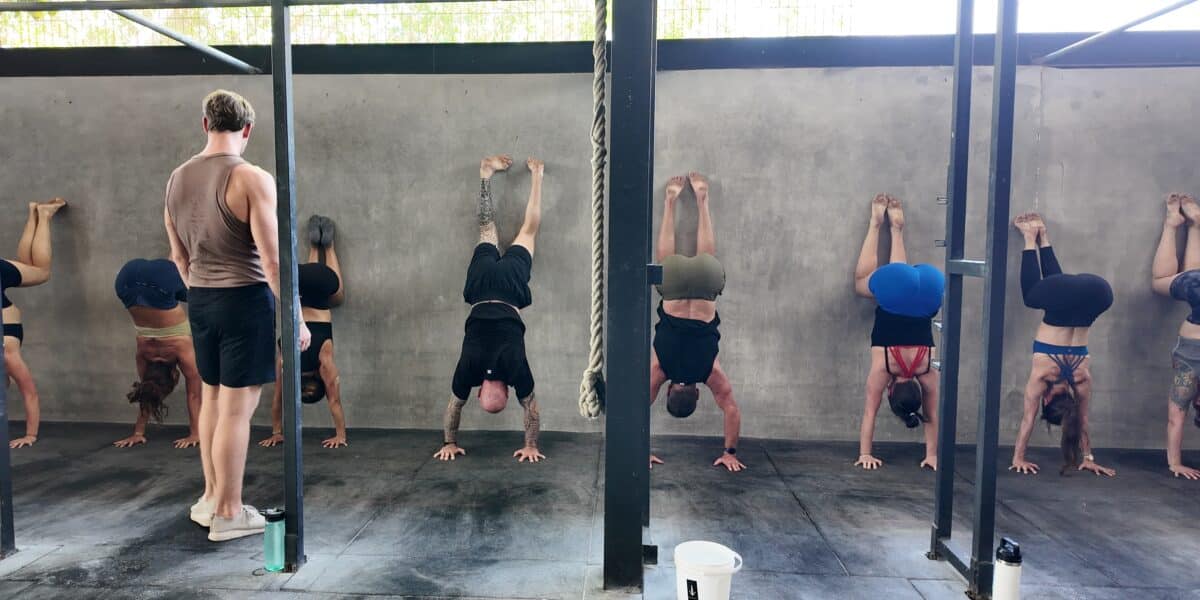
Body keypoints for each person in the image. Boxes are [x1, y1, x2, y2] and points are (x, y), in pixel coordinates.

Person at [164, 89, 311, 542]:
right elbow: (272, 262)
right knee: (236, 411)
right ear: (247, 129)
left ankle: (211, 499)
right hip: (244, 300)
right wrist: (297, 318)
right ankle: (229, 511)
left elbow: (178, 257)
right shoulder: (251, 178)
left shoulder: (177, 178)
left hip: (202, 300)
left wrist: (204, 292)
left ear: (204, 124)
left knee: (211, 399)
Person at [435, 155, 545, 463]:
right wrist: (449, 442)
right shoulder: (468, 369)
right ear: (480, 390)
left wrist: (531, 446)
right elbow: (454, 406)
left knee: (530, 229)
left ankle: (537, 175)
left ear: (506, 392)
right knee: (486, 227)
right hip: (481, 288)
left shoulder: (515, 369)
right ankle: (485, 174)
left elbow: (531, 408)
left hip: (509, 289)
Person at [649, 173, 745, 473]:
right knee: (664, 258)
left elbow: (731, 408)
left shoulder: (711, 372)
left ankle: (703, 202)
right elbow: (638, 408)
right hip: (674, 294)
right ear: (668, 390)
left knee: (707, 256)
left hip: (705, 293)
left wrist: (730, 452)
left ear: (698, 392)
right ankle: (670, 201)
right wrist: (640, 450)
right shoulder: (659, 368)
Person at [1010, 213, 1114, 477]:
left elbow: (1082, 420)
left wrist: (1089, 456)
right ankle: (1030, 238)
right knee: (1033, 296)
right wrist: (1018, 457)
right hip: (1071, 292)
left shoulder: (1082, 380)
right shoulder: (1041, 377)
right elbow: (1028, 420)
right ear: (1047, 398)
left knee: (1059, 294)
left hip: (1098, 293)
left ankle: (1043, 236)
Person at [852, 194, 942, 471]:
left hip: (930, 289)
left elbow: (931, 415)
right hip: (896, 289)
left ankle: (896, 229)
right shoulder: (883, 370)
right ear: (891, 392)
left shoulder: (928, 372)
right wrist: (865, 453)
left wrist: (933, 453)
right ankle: (877, 224)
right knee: (861, 285)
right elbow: (870, 412)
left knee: (900, 279)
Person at [260, 215, 348, 450]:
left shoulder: (324, 364)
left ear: (319, 379)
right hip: (296, 280)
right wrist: (276, 431)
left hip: (321, 283)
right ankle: (315, 244)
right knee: (307, 283)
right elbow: (277, 400)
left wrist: (341, 435)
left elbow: (335, 401)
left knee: (337, 292)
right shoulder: (286, 363)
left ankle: (326, 246)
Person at [112, 258, 203, 449]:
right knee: (173, 274)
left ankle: (178, 236)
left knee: (195, 289)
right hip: (126, 280)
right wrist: (137, 432)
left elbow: (194, 395)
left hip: (159, 285)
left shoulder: (181, 350)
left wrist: (196, 433)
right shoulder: (144, 354)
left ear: (172, 374)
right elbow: (147, 391)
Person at [1, 198, 66, 449]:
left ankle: (45, 215)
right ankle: (33, 212)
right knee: (30, 265)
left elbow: (30, 393)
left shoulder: (8, 355)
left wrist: (30, 435)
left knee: (42, 271)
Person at [1151, 193, 1200, 480]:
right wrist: (1174, 463)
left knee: (1194, 276)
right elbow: (1175, 417)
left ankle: (1193, 225)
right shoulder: (1187, 380)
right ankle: (1172, 223)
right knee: (1159, 283)